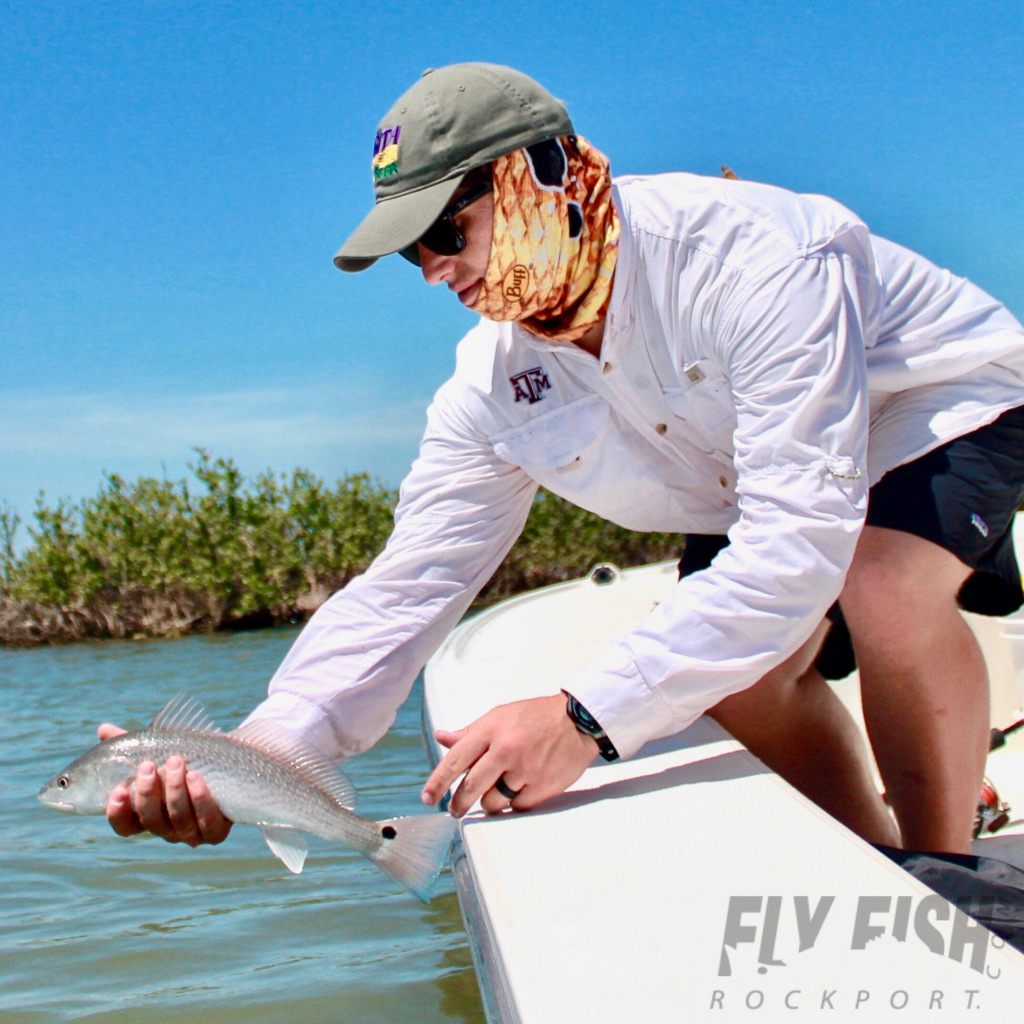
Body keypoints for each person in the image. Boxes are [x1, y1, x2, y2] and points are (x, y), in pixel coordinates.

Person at [104, 62, 1024, 856]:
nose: (431, 271)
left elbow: (799, 546)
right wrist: (267, 756)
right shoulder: (487, 385)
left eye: (443, 233)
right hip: (748, 468)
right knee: (733, 676)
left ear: (537, 175)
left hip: (933, 399)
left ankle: (944, 868)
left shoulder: (754, 258)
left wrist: (581, 719)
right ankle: (872, 852)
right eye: (407, 254)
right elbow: (409, 586)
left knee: (881, 581)